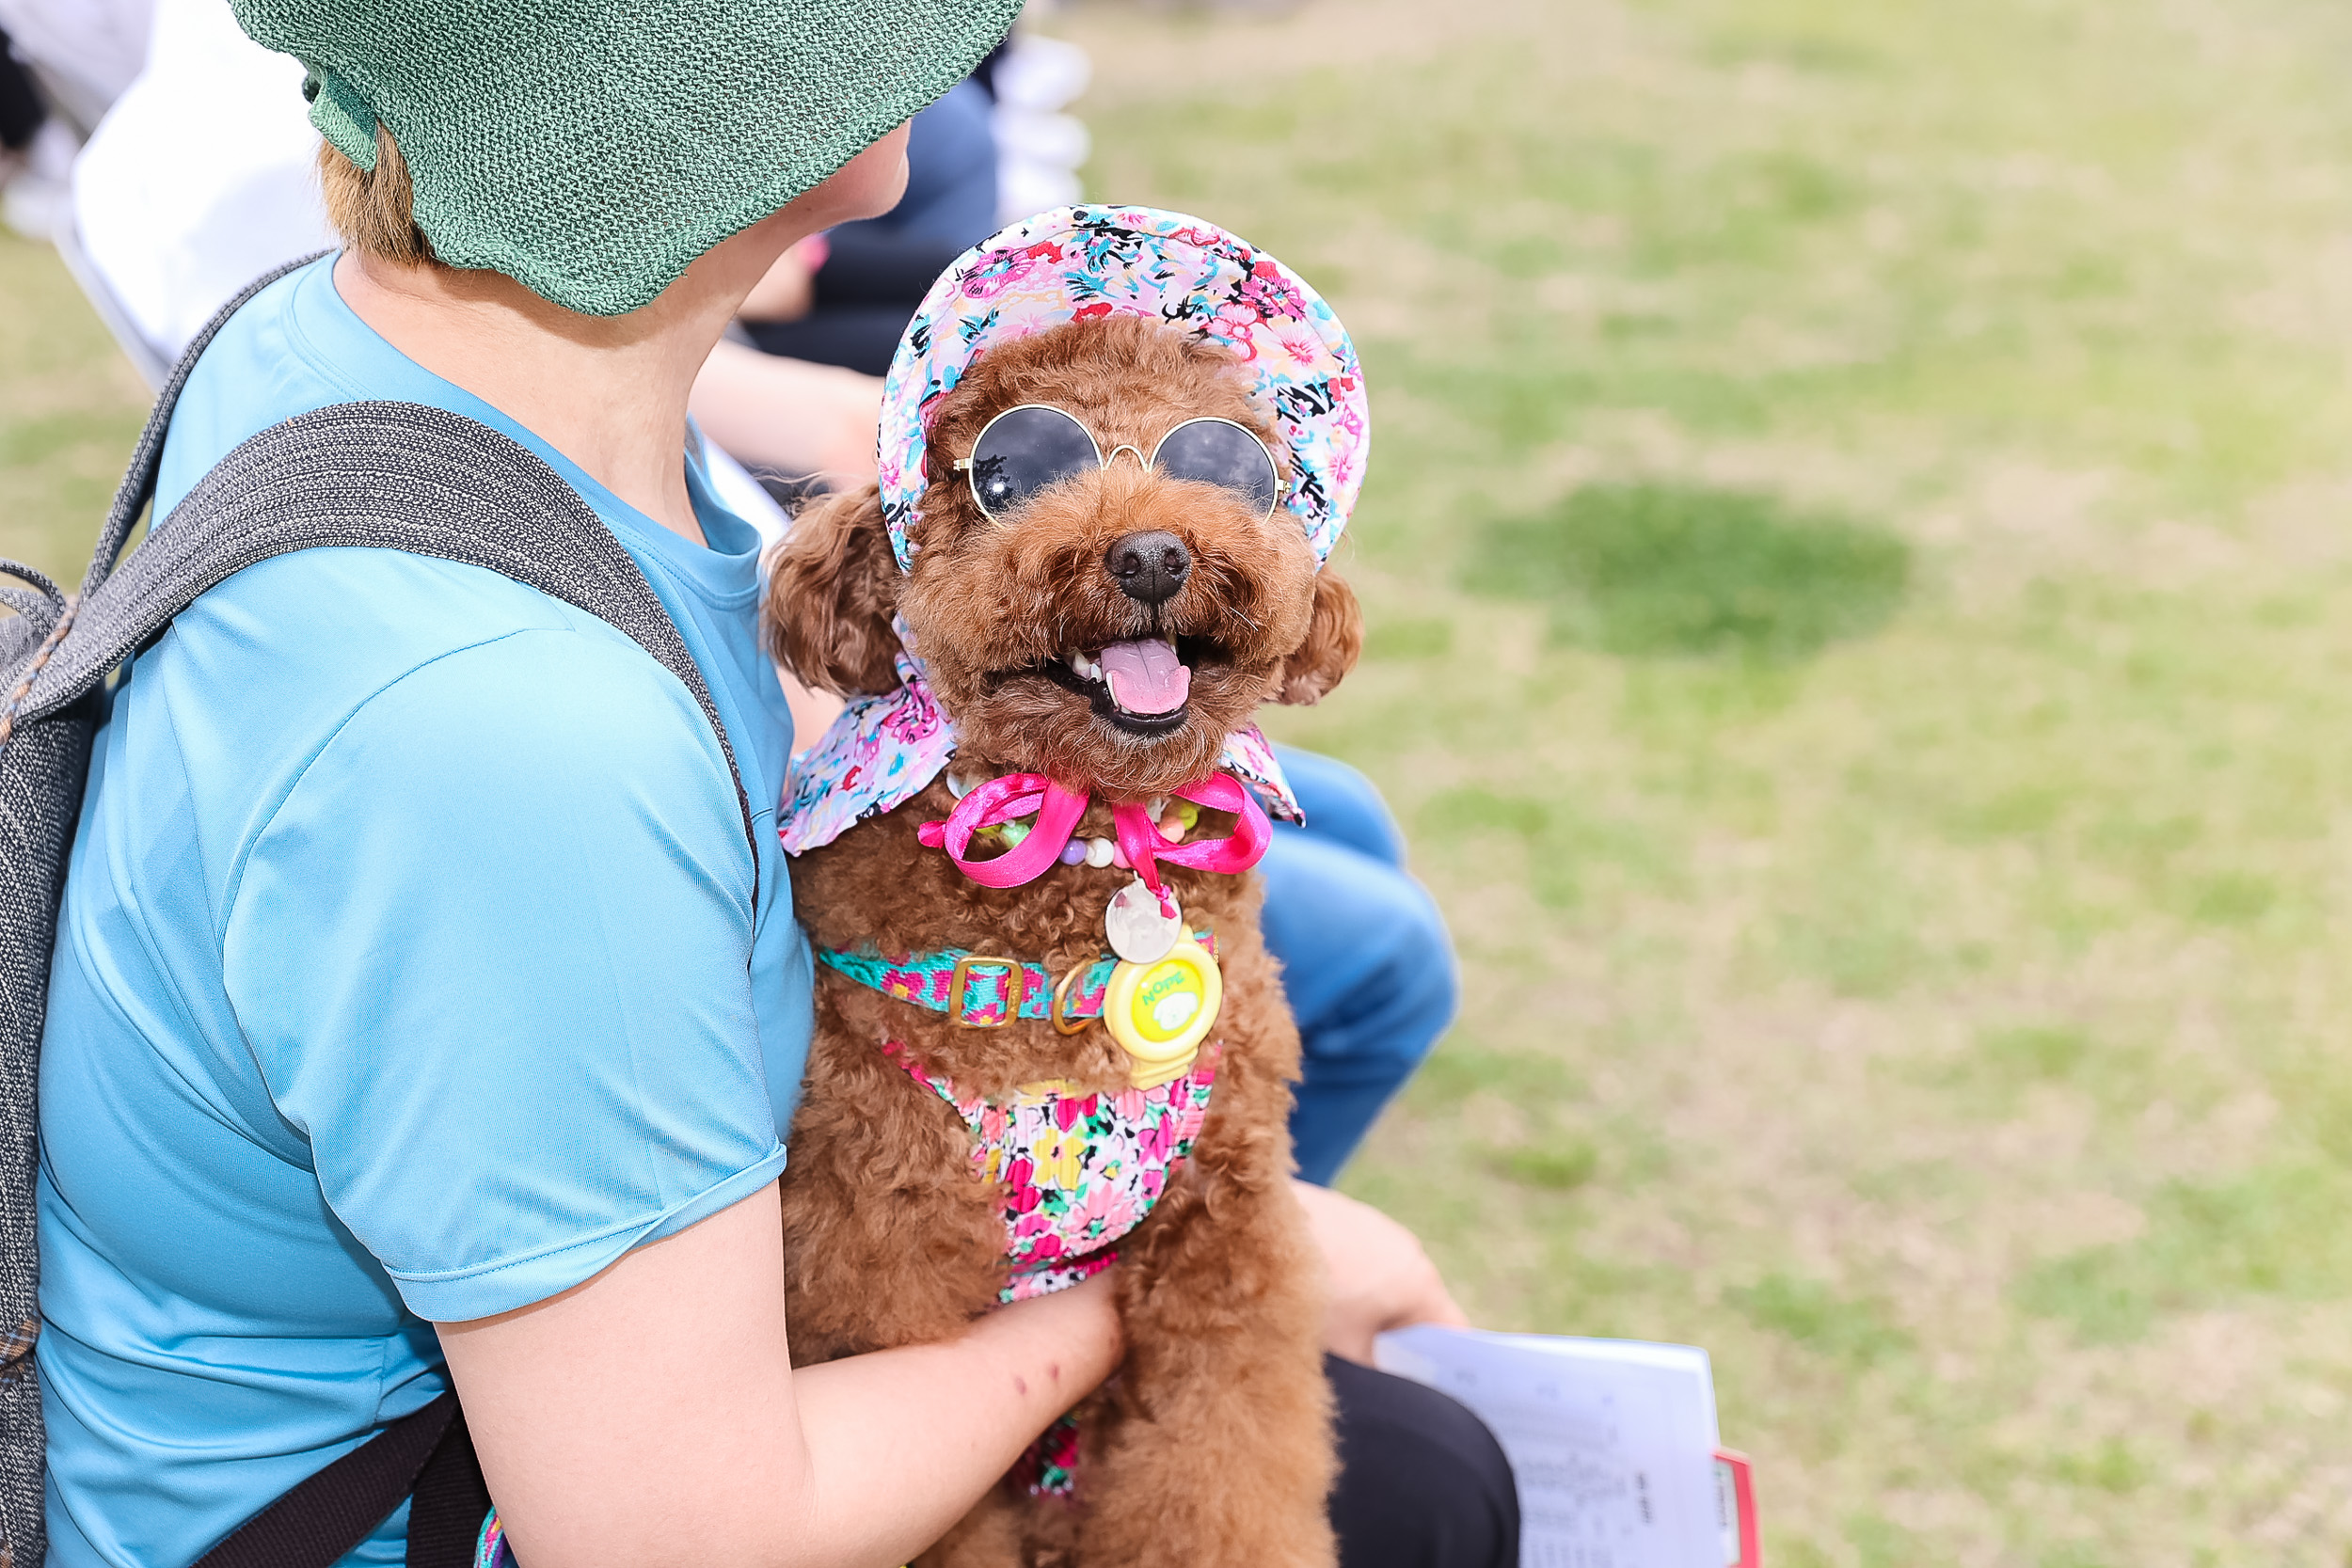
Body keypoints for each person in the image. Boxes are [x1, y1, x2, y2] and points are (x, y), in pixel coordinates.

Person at [34, 7, 1507, 1568]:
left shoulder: (344, 350)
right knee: (1438, 1487)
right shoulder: (516, 746)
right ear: (700, 88)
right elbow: (685, 1536)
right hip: (469, 1512)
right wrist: (1144, 1281)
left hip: (501, 1406)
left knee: (1423, 1462)